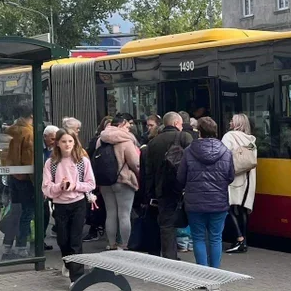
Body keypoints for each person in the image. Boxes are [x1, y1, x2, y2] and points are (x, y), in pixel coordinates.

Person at [177, 116, 235, 268]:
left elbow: (181, 177)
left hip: (195, 203)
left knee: (198, 238)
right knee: (216, 238)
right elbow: (230, 176)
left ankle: (203, 273)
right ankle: (215, 273)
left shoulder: (189, 151)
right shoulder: (226, 152)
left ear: (199, 131)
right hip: (219, 202)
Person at [43, 129, 96, 282]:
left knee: (75, 240)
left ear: (75, 142)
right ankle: (69, 263)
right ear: (57, 143)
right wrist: (60, 186)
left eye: (70, 141)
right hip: (60, 205)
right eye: (64, 141)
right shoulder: (51, 163)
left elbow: (91, 183)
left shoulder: (82, 161)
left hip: (78, 203)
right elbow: (46, 188)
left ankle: (76, 278)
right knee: (63, 240)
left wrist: (74, 185)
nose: (67, 144)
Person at [144, 111, 194, 259]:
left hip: (163, 189)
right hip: (184, 187)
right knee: (194, 222)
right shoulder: (185, 137)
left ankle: (169, 257)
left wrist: (149, 193)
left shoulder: (153, 143)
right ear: (176, 123)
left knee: (166, 225)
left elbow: (149, 171)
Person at [94, 113, 140, 250]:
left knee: (111, 213)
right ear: (120, 125)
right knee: (124, 214)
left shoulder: (100, 140)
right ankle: (124, 244)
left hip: (105, 181)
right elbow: (135, 163)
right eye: (127, 126)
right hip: (123, 180)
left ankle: (111, 243)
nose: (128, 129)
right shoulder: (126, 141)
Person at [2, 103, 35, 258]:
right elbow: (30, 159)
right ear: (32, 116)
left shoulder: (14, 132)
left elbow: (5, 155)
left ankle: (7, 244)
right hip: (26, 178)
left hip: (14, 175)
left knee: (15, 212)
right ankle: (21, 245)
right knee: (27, 212)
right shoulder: (28, 133)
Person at [222, 114, 257, 254]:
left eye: (232, 120)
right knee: (242, 208)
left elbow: (223, 155)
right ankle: (244, 240)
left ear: (236, 123)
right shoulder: (251, 139)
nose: (230, 122)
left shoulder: (229, 136)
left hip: (234, 177)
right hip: (248, 178)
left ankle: (239, 239)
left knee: (230, 207)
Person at [84, 116, 113, 242]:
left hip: (108, 177)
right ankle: (95, 228)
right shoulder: (97, 141)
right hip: (100, 177)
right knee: (98, 204)